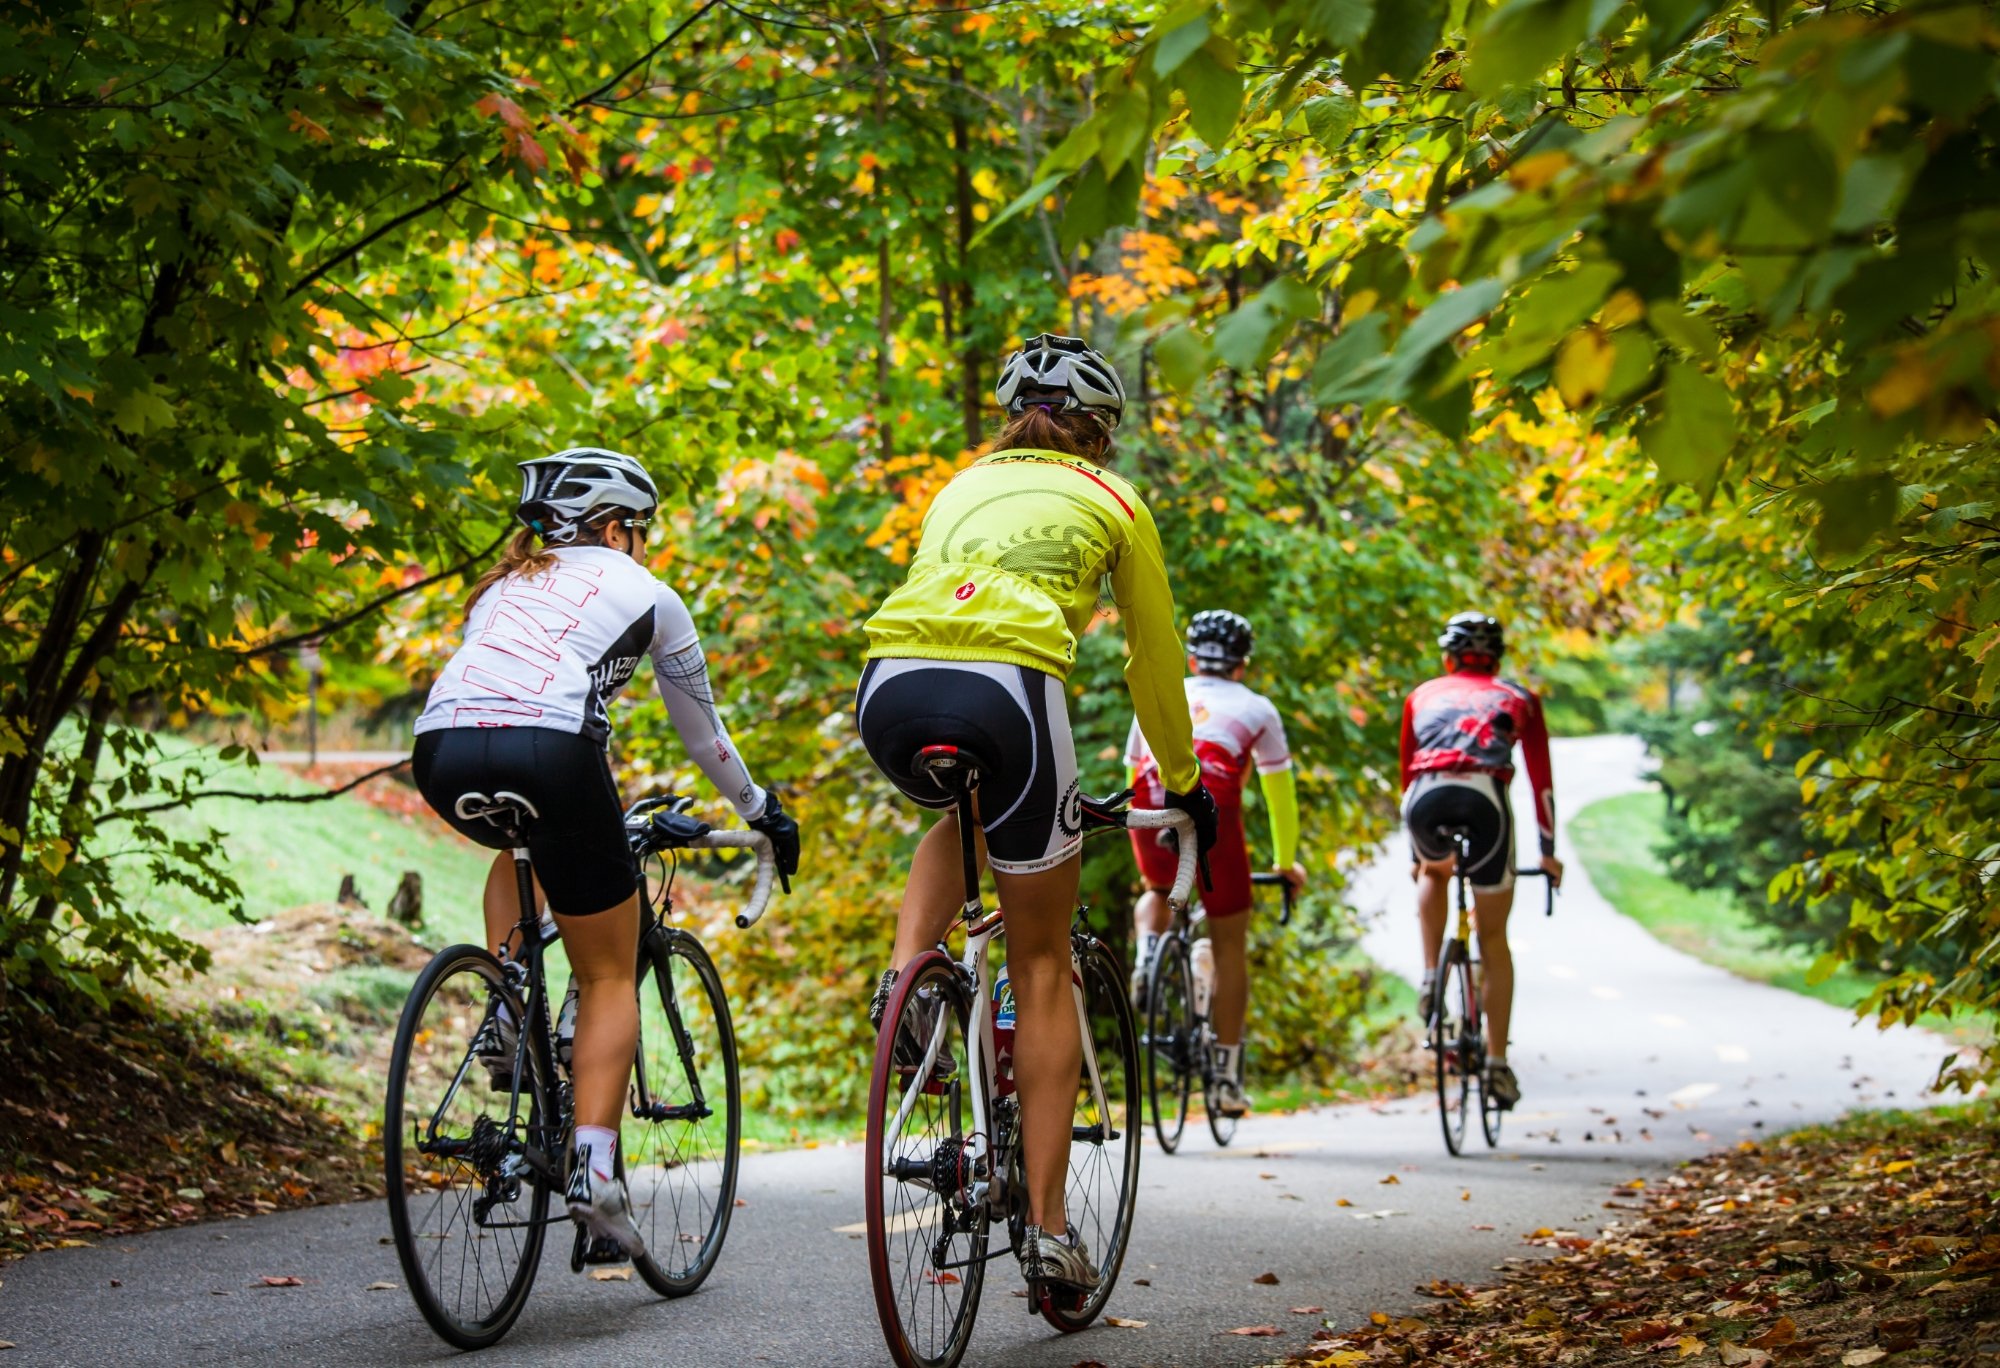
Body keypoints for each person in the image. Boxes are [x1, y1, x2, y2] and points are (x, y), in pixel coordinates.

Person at [855, 334, 1217, 1294]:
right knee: (1043, 963)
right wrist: (1181, 783)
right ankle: (1052, 1232)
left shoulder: (958, 488)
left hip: (889, 686)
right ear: (1101, 430)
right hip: (1011, 692)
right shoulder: (1115, 499)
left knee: (962, 817)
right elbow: (1153, 659)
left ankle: (905, 987)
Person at [410, 447, 800, 1257]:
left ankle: (506, 998)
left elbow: (530, 687)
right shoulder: (649, 594)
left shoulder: (503, 588)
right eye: (640, 528)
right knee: (608, 971)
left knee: (522, 840)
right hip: (550, 751)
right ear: (614, 526)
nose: (643, 543)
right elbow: (702, 733)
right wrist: (761, 811)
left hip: (442, 749)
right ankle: (593, 1169)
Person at [1126, 609, 1304, 1118]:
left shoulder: (1162, 692)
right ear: (1242, 666)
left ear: (1191, 658)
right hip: (1213, 799)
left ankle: (1149, 950)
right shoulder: (1258, 708)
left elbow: (1130, 768)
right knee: (1229, 944)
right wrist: (1286, 862)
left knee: (1156, 892)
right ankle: (1225, 1079)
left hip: (1149, 799)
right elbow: (1279, 796)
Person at [1399, 611, 1561, 1111]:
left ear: (1448, 658)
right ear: (1497, 659)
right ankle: (1496, 1064)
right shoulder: (1519, 697)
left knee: (1433, 871)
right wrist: (1548, 854)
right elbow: (1541, 781)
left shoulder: (1422, 694)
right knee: (1494, 940)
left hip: (1426, 798)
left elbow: (1407, 770)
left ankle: (1430, 978)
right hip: (1485, 800)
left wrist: (1416, 854)